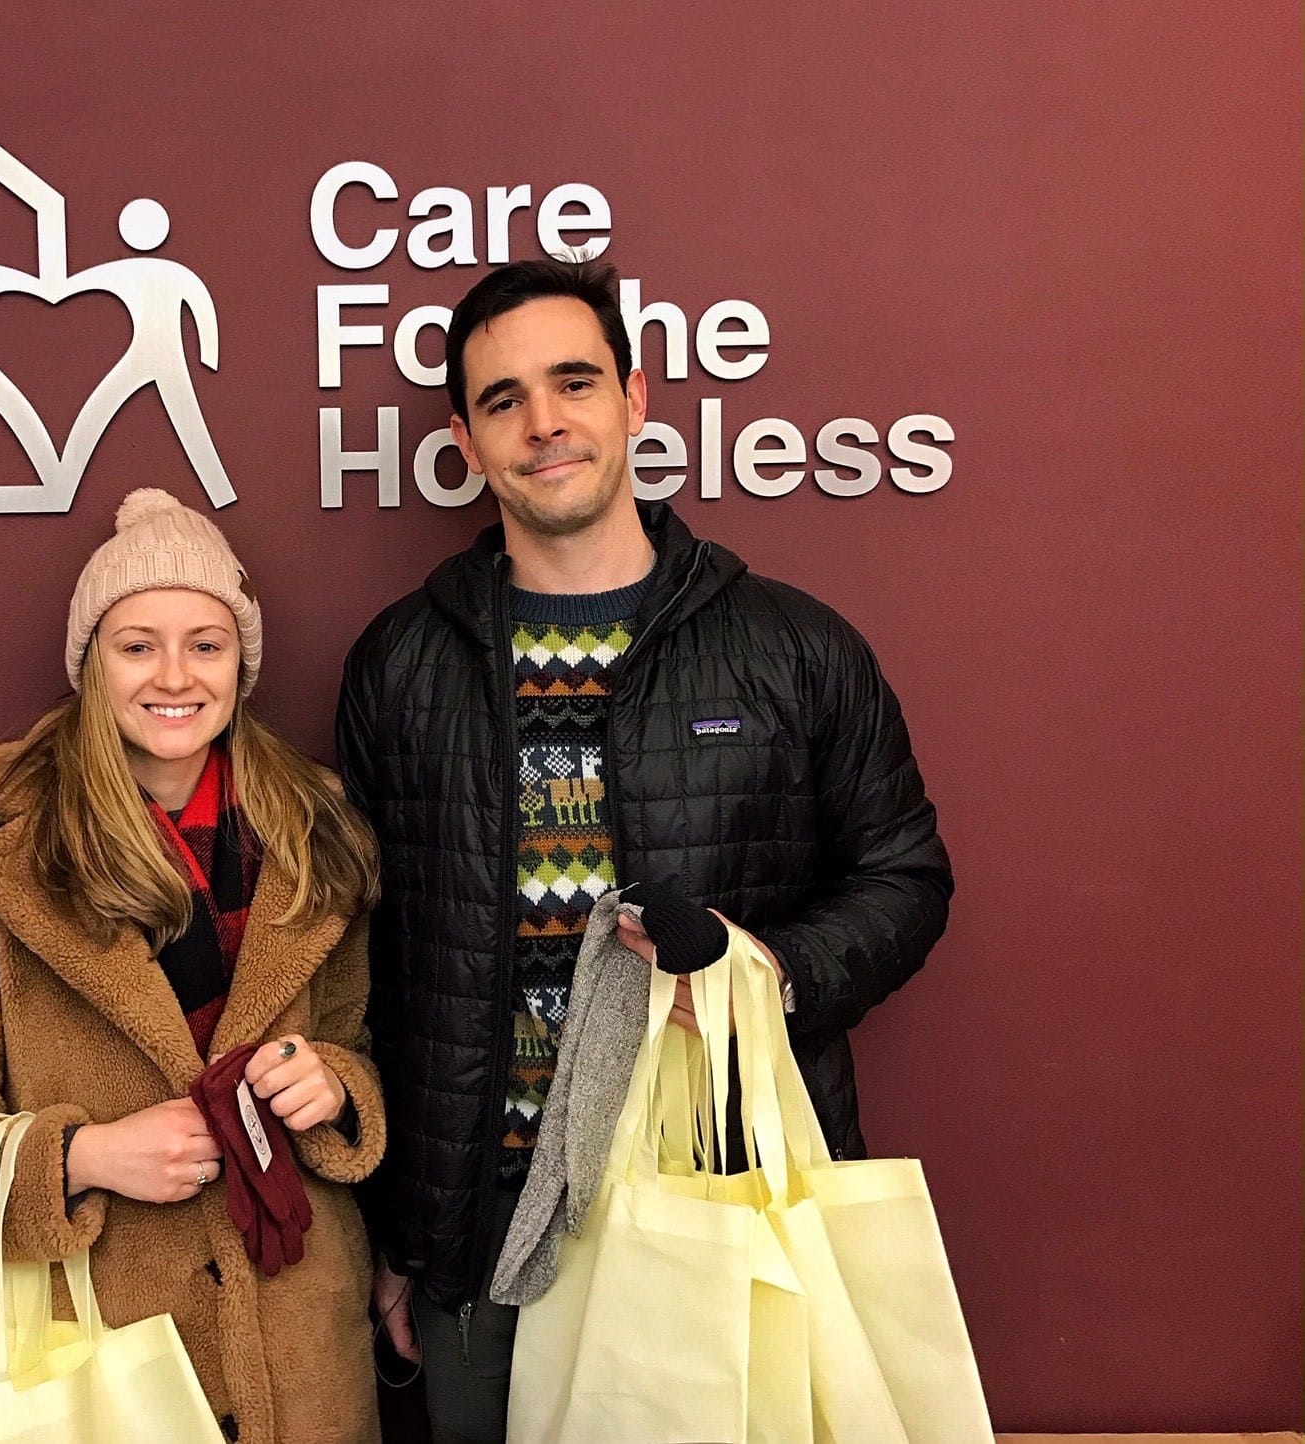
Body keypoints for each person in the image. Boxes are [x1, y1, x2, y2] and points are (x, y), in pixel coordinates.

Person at [336, 259, 953, 1444]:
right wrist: (400, 1235)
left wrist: (757, 971)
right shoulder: (400, 666)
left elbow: (905, 881)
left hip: (719, 1212)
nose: (545, 422)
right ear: (464, 437)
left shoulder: (791, 646)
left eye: (574, 382)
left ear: (636, 397)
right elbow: (371, 958)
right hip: (485, 1229)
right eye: (503, 399)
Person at [0, 488, 386, 1444]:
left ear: (242, 663)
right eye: (137, 644)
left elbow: (364, 1046)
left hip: (302, 1352)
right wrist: (85, 1156)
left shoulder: (318, 835)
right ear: (90, 663)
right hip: (97, 1358)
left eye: (207, 643)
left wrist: (337, 1087)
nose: (174, 675)